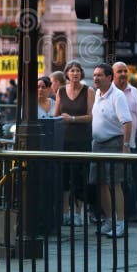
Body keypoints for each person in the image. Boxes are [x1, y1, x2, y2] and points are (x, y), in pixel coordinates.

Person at [91, 63, 133, 238]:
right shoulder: (97, 94)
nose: (95, 78)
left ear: (109, 77)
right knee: (100, 183)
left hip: (114, 143)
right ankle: (109, 220)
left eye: (99, 75)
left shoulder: (118, 96)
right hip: (97, 144)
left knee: (115, 183)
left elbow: (127, 122)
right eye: (94, 75)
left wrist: (125, 146)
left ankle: (121, 223)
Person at [54, 60, 95, 225]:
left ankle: (78, 212)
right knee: (64, 177)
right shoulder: (61, 91)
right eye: (72, 71)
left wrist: (72, 118)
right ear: (67, 74)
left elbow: (91, 116)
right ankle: (65, 212)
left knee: (80, 176)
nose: (75, 73)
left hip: (82, 139)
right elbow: (56, 115)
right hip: (64, 139)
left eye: (78, 71)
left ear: (81, 74)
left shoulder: (88, 90)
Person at [112, 61, 137, 222]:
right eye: (119, 71)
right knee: (112, 181)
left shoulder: (134, 91)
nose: (123, 74)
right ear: (113, 75)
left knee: (129, 180)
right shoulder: (109, 92)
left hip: (130, 144)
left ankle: (132, 214)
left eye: (125, 71)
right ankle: (112, 214)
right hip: (112, 143)